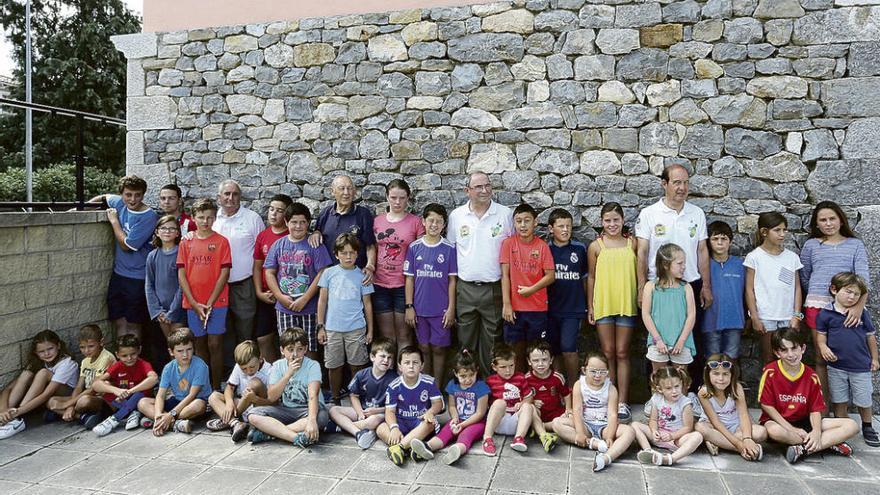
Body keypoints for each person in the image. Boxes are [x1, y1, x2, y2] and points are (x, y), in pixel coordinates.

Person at [800, 201, 870, 404]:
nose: (828, 223)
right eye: (823, 220)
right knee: (821, 358)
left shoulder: (854, 245)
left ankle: (844, 408)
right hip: (817, 306)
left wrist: (857, 307)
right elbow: (805, 277)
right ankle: (822, 409)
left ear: (841, 220)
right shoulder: (811, 245)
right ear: (817, 223)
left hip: (847, 311)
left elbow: (863, 279)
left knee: (844, 356)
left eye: (832, 219)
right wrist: (817, 292)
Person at [759, 328, 859, 463]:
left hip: (805, 421)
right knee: (773, 431)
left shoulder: (811, 376)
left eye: (794, 348)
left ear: (803, 348)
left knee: (852, 425)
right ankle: (827, 443)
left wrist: (817, 432)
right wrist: (791, 429)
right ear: (777, 353)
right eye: (784, 350)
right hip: (780, 422)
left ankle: (803, 448)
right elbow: (766, 405)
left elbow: (815, 409)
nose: (791, 354)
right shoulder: (770, 372)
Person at [447, 172, 513, 376]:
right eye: (478, 187)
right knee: (465, 339)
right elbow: (451, 250)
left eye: (487, 185)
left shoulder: (505, 214)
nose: (484, 190)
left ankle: (489, 385)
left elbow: (512, 249)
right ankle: (466, 383)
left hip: (493, 287)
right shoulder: (457, 216)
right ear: (467, 191)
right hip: (465, 287)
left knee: (492, 340)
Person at [91, 175, 160, 343]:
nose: (133, 199)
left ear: (143, 195)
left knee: (134, 323)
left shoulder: (149, 216)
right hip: (119, 274)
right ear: (122, 194)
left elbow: (127, 246)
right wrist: (80, 209)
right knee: (119, 321)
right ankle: (123, 358)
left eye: (137, 195)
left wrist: (114, 221)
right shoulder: (120, 203)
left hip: (138, 277)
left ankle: (135, 360)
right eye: (128, 195)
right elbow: (104, 197)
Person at [586, 202, 637, 421]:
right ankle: (610, 398)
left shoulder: (632, 244)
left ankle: (623, 402)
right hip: (604, 303)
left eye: (616, 220)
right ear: (602, 222)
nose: (612, 224)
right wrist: (591, 305)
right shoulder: (596, 246)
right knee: (607, 352)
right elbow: (591, 277)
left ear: (623, 220)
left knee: (622, 352)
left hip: (626, 302)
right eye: (607, 220)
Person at [264, 202, 334, 362]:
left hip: (309, 307)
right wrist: (279, 296)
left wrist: (305, 298)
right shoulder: (279, 245)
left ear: (308, 223)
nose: (298, 226)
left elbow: (322, 272)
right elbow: (269, 272)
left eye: (303, 222)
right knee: (288, 347)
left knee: (309, 347)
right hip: (284, 307)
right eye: (294, 222)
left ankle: (310, 382)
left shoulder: (314, 245)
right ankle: (290, 382)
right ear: (286, 222)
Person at [816, 272, 879, 446]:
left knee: (864, 398)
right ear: (834, 290)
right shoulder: (826, 313)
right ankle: (841, 427)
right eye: (848, 291)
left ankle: (867, 426)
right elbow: (821, 338)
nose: (852, 297)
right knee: (839, 399)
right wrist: (823, 348)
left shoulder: (862, 313)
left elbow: (870, 337)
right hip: (836, 366)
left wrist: (875, 358)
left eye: (856, 294)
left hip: (860, 366)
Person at [177, 198, 232, 390]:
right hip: (193, 302)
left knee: (215, 343)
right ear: (193, 218)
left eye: (210, 217)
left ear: (215, 218)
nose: (205, 221)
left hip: (217, 302)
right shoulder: (186, 242)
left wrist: (210, 302)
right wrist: (193, 302)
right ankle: (202, 387)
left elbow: (224, 273)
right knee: (199, 344)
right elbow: (181, 272)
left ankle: (216, 387)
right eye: (201, 217)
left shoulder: (221, 242)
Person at [246, 327, 330, 447]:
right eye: (290, 350)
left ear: (305, 349)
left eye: (299, 349)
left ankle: (271, 433)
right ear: (282, 350)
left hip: (308, 409)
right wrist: (288, 374)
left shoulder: (313, 365)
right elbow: (272, 396)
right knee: (253, 415)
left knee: (321, 418)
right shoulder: (277, 366)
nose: (294, 355)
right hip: (286, 409)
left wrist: (311, 421)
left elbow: (313, 396)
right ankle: (295, 437)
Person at [552, 353, 635, 472]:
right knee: (557, 423)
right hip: (585, 424)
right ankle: (591, 443)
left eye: (602, 372)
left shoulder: (611, 389)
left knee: (629, 431)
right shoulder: (579, 385)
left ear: (608, 372)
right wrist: (580, 433)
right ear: (584, 370)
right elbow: (577, 410)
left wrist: (610, 436)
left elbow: (612, 414)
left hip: (604, 426)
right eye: (593, 371)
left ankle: (606, 457)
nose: (597, 375)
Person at [317, 233, 375, 404]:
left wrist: (370, 330)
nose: (348, 257)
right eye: (344, 253)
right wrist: (321, 326)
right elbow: (322, 301)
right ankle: (335, 397)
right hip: (332, 328)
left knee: (357, 365)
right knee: (333, 366)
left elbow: (368, 304)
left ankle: (356, 396)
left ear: (357, 254)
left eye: (352, 253)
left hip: (356, 328)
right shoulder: (329, 273)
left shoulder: (363, 276)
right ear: (336, 254)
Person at [403, 203, 457, 382]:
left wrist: (451, 309)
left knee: (439, 349)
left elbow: (452, 281)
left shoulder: (449, 249)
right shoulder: (414, 247)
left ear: (444, 225)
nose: (434, 225)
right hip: (420, 309)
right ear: (423, 222)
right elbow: (409, 279)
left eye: (439, 221)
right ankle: (425, 386)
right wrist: (409, 306)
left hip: (440, 310)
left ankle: (437, 388)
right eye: (431, 220)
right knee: (424, 347)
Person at [408, 349, 491, 465]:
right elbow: (451, 405)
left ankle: (457, 450)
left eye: (471, 375)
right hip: (459, 420)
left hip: (477, 422)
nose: (467, 379)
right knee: (445, 432)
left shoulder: (481, 387)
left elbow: (480, 413)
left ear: (477, 370)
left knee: (466, 435)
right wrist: (455, 418)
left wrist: (462, 425)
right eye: (463, 376)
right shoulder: (452, 385)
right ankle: (427, 447)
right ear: (455, 373)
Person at [213, 180, 265, 359]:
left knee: (245, 329)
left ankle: (246, 369)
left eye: (235, 194)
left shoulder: (252, 218)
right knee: (222, 331)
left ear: (240, 197)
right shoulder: (211, 219)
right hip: (217, 286)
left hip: (244, 284)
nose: (230, 198)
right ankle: (228, 373)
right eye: (226, 194)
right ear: (219, 197)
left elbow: (262, 252)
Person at [500, 203, 555, 371]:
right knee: (515, 350)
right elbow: (505, 276)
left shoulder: (542, 246)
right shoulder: (508, 244)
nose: (523, 225)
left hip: (537, 308)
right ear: (514, 223)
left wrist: (531, 290)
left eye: (527, 220)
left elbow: (551, 276)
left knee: (536, 351)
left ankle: (536, 387)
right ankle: (518, 388)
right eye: (518, 221)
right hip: (515, 308)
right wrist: (507, 304)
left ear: (535, 222)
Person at [744, 212, 803, 364]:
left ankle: (788, 388)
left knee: (789, 357)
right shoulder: (754, 257)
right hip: (766, 316)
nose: (782, 234)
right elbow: (749, 289)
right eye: (777, 230)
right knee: (768, 357)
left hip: (787, 317)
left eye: (784, 230)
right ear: (764, 232)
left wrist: (797, 315)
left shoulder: (792, 257)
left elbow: (796, 288)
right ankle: (769, 388)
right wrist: (755, 317)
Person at [373, 179, 425, 348]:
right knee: (387, 337)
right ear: (387, 197)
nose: (397, 202)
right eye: (393, 197)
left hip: (404, 285)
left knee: (404, 335)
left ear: (408, 198)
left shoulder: (415, 222)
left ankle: (403, 373)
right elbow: (372, 248)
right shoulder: (377, 221)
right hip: (380, 284)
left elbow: (421, 252)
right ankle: (388, 373)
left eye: (402, 198)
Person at [0, 330, 78, 440]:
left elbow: (47, 394)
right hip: (41, 399)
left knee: (43, 373)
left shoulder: (67, 363)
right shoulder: (37, 362)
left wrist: (18, 412)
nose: (47, 354)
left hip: (65, 395)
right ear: (36, 353)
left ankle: (16, 418)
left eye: (50, 349)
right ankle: (5, 415)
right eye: (41, 351)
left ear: (58, 346)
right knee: (27, 374)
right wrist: (3, 409)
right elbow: (8, 389)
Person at [378, 346, 444, 466]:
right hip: (401, 422)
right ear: (400, 366)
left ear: (422, 366)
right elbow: (390, 411)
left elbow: (438, 403)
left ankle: (400, 447)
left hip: (419, 421)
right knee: (381, 428)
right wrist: (394, 428)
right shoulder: (394, 386)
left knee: (430, 424)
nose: (411, 366)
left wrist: (430, 412)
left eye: (415, 363)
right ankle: (410, 446)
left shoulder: (429, 382)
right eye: (407, 363)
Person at [328, 338, 398, 449]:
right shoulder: (362, 374)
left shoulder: (394, 379)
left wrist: (377, 410)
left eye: (390, 358)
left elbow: (396, 406)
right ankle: (358, 432)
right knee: (333, 410)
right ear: (372, 357)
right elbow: (354, 395)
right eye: (383, 356)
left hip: (382, 413)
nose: (386, 360)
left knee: (373, 420)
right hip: (364, 410)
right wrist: (360, 412)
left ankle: (339, 427)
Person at [137, 328, 210, 435]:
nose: (185, 354)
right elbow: (160, 395)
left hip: (193, 402)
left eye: (189, 349)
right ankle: (171, 423)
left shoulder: (200, 366)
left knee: (198, 405)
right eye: (180, 351)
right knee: (142, 402)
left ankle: (165, 421)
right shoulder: (168, 368)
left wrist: (170, 415)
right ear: (171, 352)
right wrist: (158, 415)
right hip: (177, 401)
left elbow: (192, 395)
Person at [695, 355, 767, 460]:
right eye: (716, 374)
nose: (721, 378)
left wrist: (747, 438)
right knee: (699, 428)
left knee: (762, 432)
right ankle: (742, 449)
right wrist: (739, 445)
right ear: (708, 375)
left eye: (725, 374)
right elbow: (716, 422)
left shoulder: (736, 388)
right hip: (714, 427)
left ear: (732, 375)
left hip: (735, 426)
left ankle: (719, 442)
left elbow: (743, 415)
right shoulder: (704, 392)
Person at [547, 208, 589, 386]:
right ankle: (557, 389)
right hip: (549, 309)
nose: (565, 230)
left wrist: (588, 305)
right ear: (551, 229)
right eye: (561, 226)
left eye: (568, 226)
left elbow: (586, 278)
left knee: (568, 348)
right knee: (553, 350)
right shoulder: (545, 249)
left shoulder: (579, 249)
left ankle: (574, 388)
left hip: (573, 308)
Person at [309, 175, 377, 281]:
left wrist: (370, 266)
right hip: (329, 278)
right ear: (333, 192)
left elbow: (370, 245)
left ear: (354, 191)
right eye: (342, 188)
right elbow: (316, 234)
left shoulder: (363, 214)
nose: (346, 193)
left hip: (356, 277)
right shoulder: (325, 214)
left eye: (349, 188)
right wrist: (316, 232)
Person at [46, 324, 116, 427]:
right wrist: (70, 405)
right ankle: (80, 417)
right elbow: (79, 386)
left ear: (101, 342)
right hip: (85, 395)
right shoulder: (85, 361)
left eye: (91, 346)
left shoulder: (106, 357)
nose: (86, 351)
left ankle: (62, 413)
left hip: (103, 399)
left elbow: (94, 388)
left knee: (84, 401)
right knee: (51, 401)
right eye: (82, 347)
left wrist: (68, 404)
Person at [642, 243, 697, 373]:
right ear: (666, 265)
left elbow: (691, 315)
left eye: (684, 263)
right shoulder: (650, 287)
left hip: (682, 341)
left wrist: (681, 341)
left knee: (681, 379)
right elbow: (646, 314)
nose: (684, 267)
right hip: (658, 342)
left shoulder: (686, 287)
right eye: (679, 263)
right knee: (658, 380)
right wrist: (658, 340)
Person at [633, 366, 703, 466]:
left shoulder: (685, 403)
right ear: (660, 389)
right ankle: (648, 451)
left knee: (698, 436)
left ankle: (670, 459)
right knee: (634, 425)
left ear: (681, 384)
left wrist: (672, 436)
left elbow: (688, 427)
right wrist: (654, 431)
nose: (674, 391)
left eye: (677, 386)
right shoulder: (657, 398)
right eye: (669, 388)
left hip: (676, 439)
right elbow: (653, 419)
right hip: (659, 436)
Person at [252, 194, 294, 362]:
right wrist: (258, 292)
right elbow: (257, 266)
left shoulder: (293, 235)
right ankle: (273, 373)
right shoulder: (263, 236)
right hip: (266, 296)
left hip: (287, 296)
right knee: (263, 337)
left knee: (289, 339)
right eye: (271, 209)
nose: (273, 214)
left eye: (279, 211)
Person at [91, 335, 159, 436]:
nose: (129, 358)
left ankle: (114, 419)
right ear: (117, 355)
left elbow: (154, 378)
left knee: (139, 393)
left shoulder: (143, 364)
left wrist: (130, 391)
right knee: (105, 386)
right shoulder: (117, 366)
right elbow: (96, 384)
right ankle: (133, 413)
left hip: (141, 400)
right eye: (124, 356)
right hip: (123, 401)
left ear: (139, 350)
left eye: (133, 354)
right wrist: (115, 390)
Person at [206, 340, 273, 442]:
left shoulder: (270, 370)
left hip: (259, 407)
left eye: (252, 367)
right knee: (213, 397)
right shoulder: (238, 367)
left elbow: (273, 401)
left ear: (260, 358)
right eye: (244, 369)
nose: (248, 371)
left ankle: (227, 420)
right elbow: (230, 387)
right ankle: (235, 423)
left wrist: (255, 399)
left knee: (255, 383)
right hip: (243, 405)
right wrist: (229, 403)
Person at [701, 221, 745, 362]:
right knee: (712, 360)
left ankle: (731, 384)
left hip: (735, 320)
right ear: (709, 242)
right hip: (710, 320)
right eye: (715, 239)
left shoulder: (740, 265)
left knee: (731, 359)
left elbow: (747, 292)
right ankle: (711, 384)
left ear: (730, 241)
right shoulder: (703, 265)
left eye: (724, 239)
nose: (720, 243)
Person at [482, 343, 535, 455]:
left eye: (511, 366)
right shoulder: (490, 381)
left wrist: (522, 403)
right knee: (499, 403)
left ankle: (519, 438)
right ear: (494, 367)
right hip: (499, 422)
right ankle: (487, 439)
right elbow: (485, 403)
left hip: (516, 422)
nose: (508, 370)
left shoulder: (520, 378)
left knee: (528, 407)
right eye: (503, 367)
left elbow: (529, 397)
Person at [524, 341, 571, 453]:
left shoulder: (557, 377)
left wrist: (569, 409)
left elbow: (566, 394)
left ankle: (539, 428)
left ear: (551, 360)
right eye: (536, 360)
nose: (540, 364)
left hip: (555, 413)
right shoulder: (526, 379)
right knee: (530, 410)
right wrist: (533, 402)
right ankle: (540, 428)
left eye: (544, 360)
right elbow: (523, 399)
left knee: (568, 419)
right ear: (529, 362)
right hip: (538, 414)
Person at [145, 215, 185, 343]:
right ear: (157, 232)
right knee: (171, 347)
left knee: (181, 345)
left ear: (177, 232)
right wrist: (157, 311)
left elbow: (182, 285)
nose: (167, 231)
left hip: (178, 310)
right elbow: (149, 284)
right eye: (163, 228)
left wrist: (172, 312)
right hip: (161, 312)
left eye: (172, 229)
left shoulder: (181, 253)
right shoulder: (152, 256)